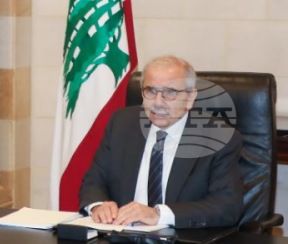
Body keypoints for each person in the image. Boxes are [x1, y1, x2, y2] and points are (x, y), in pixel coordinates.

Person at [79, 55, 243, 228]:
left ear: (190, 98)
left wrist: (159, 215)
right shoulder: (121, 123)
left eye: (170, 92)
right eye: (150, 91)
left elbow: (227, 206)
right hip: (121, 236)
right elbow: (94, 180)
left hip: (181, 239)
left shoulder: (218, 137)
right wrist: (98, 205)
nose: (157, 103)